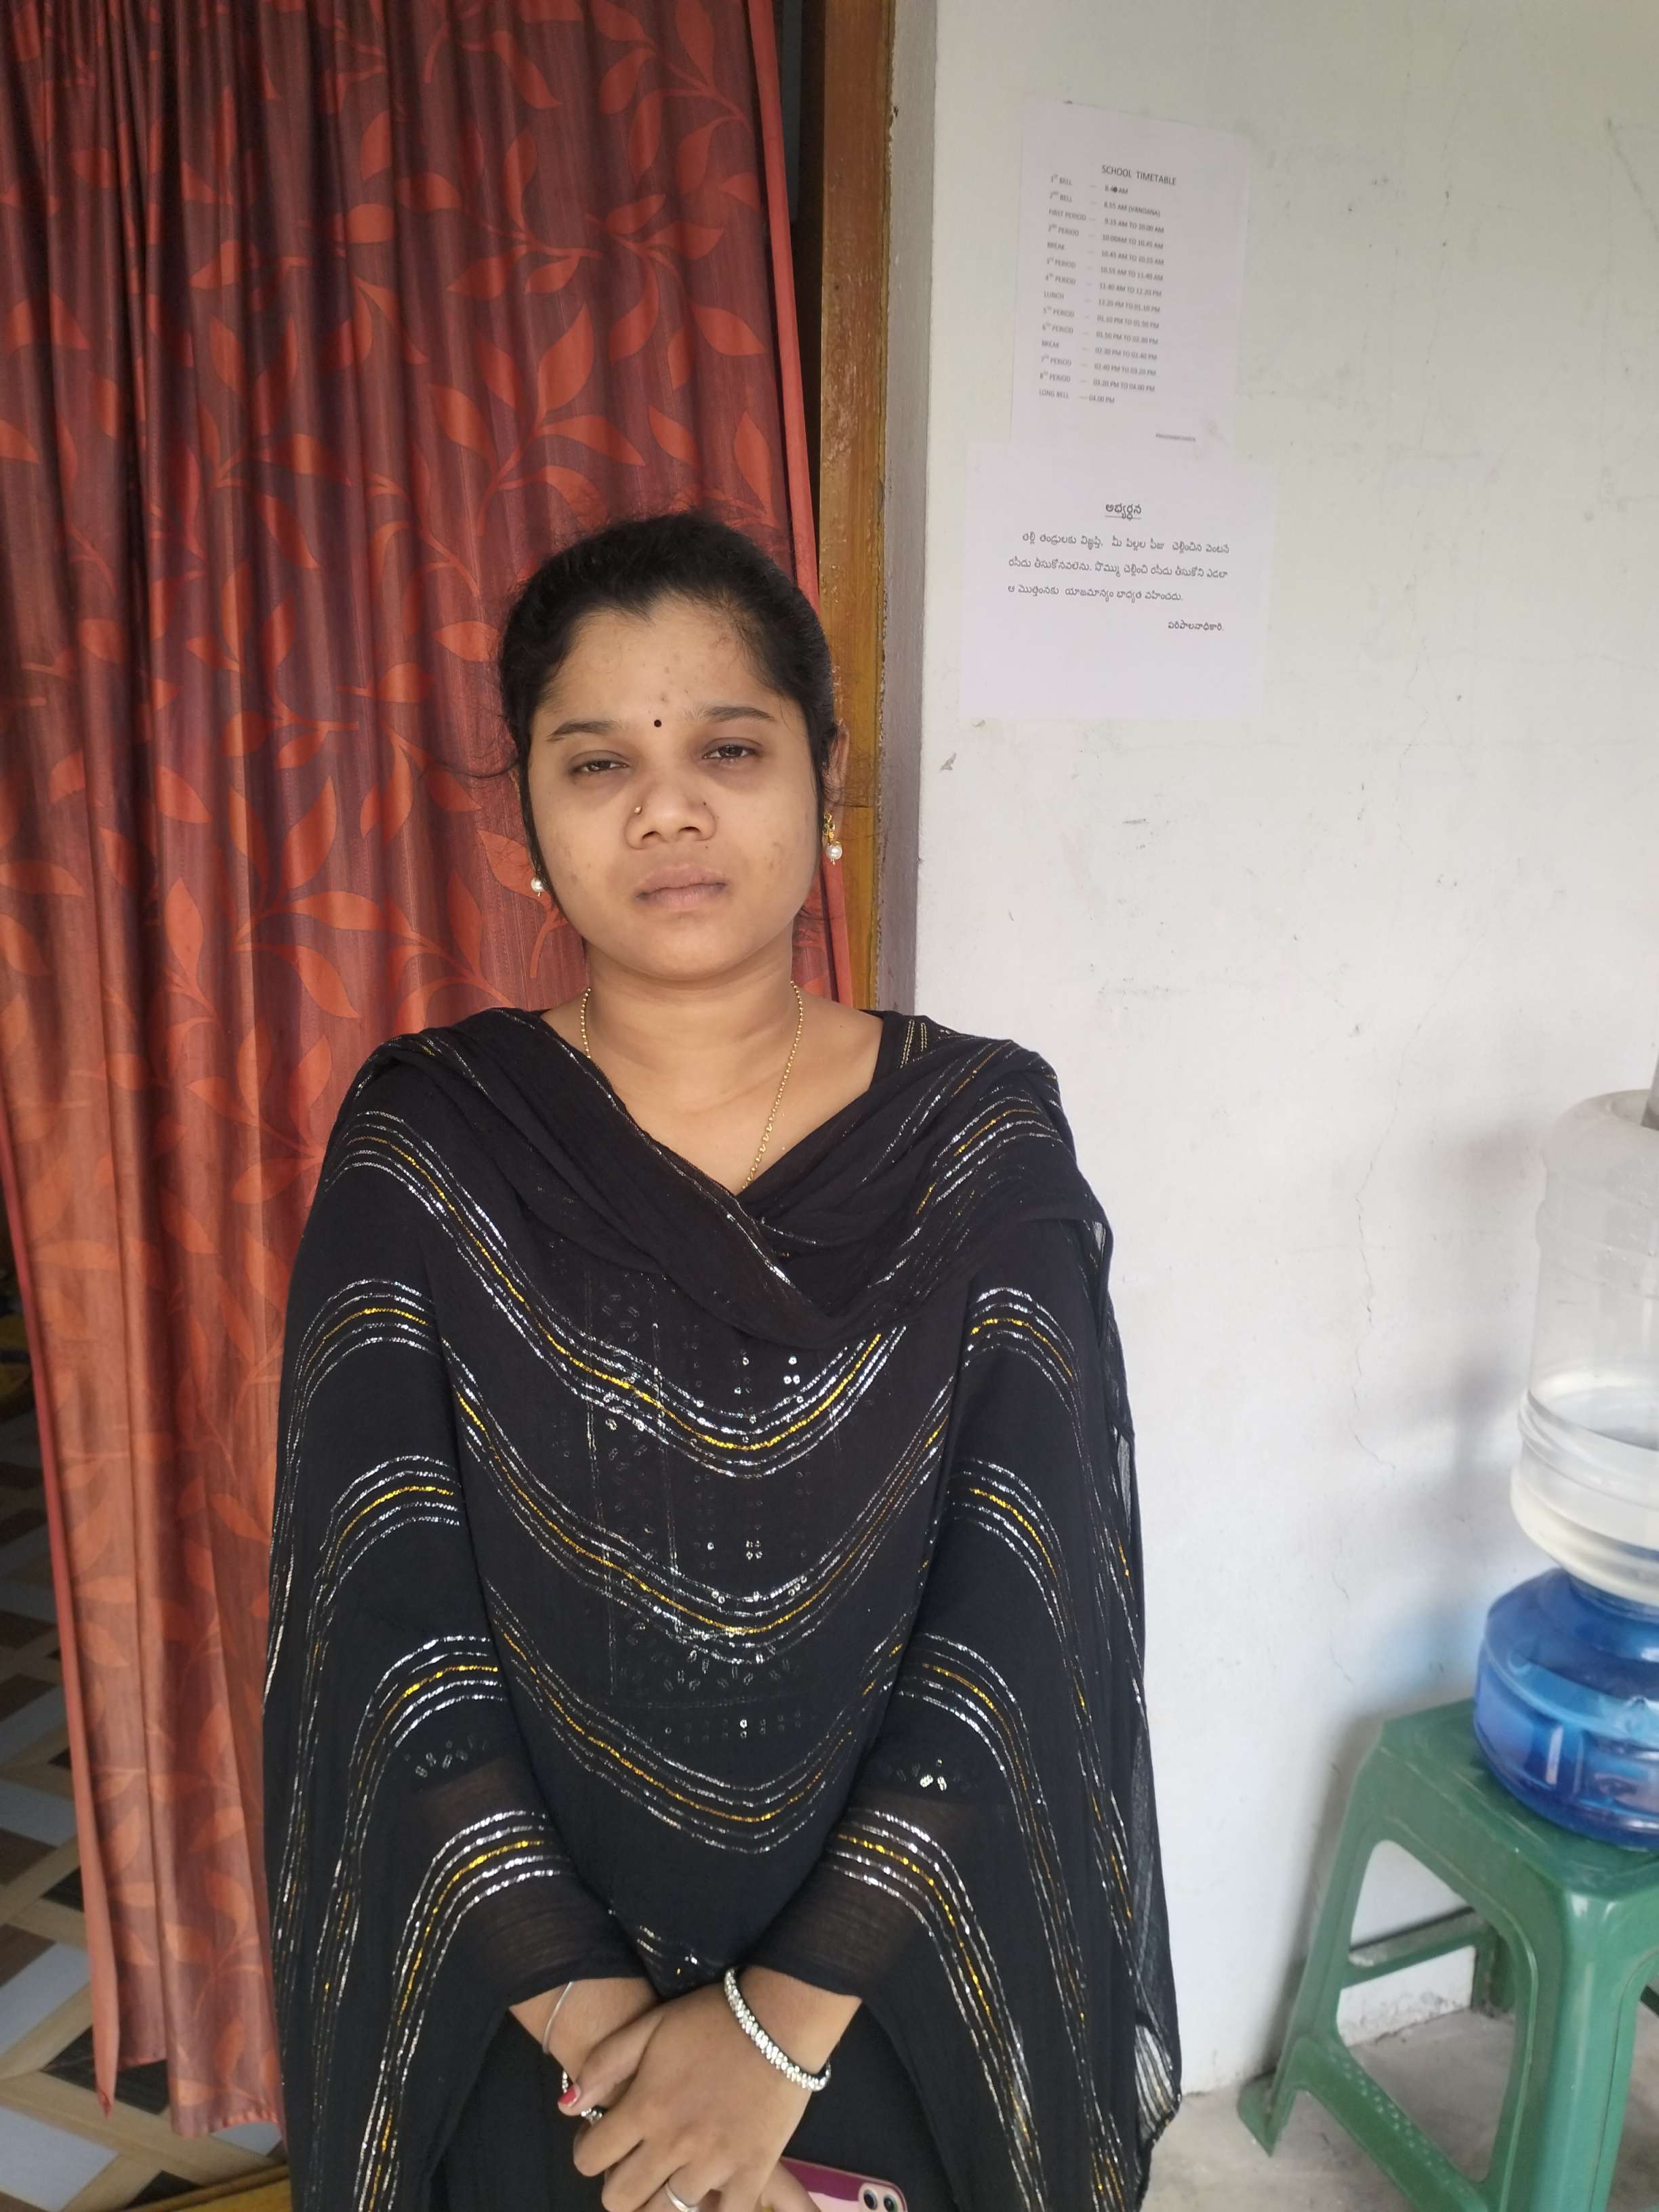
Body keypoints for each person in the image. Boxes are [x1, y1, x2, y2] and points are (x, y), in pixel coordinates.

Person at [262, 508, 1181, 2212]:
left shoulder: (978, 1145)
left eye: (729, 748)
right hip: (531, 2000)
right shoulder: (433, 1149)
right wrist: (621, 2051)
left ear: (825, 787)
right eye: (598, 761)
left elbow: (1021, 1604)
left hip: (901, 1973)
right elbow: (385, 1624)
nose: (667, 809)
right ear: (529, 828)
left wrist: (772, 2036)